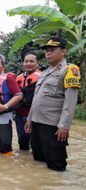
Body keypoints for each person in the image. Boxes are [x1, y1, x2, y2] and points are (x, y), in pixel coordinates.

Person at [25, 37, 80, 171]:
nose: (48, 53)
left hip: (53, 126)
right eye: (47, 50)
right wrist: (29, 119)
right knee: (38, 161)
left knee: (56, 165)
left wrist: (64, 126)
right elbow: (36, 98)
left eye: (52, 50)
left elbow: (70, 101)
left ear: (63, 51)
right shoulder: (44, 73)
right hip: (37, 124)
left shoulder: (70, 70)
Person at [15, 52, 41, 150]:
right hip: (19, 114)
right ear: (23, 63)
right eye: (26, 61)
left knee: (35, 142)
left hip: (35, 115)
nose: (28, 63)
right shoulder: (18, 78)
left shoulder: (42, 77)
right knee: (22, 140)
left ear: (37, 63)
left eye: (31, 61)